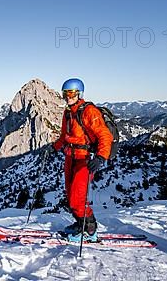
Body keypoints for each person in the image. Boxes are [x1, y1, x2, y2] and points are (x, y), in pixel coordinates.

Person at [53, 78, 113, 242]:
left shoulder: (89, 111)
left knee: (77, 198)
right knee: (70, 195)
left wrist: (101, 157)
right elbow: (65, 137)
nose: (67, 97)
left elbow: (104, 136)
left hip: (85, 160)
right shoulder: (68, 112)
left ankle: (90, 230)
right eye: (65, 93)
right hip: (70, 158)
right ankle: (81, 224)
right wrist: (54, 147)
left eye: (71, 93)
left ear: (79, 93)